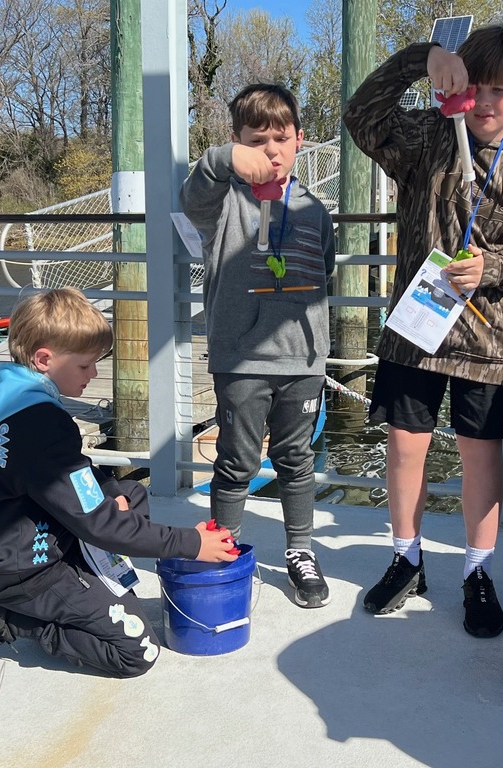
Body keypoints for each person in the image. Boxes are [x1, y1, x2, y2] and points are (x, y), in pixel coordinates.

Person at [342, 25, 503, 637]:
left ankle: (478, 570)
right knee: (405, 448)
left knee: (480, 456)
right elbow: (360, 113)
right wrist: (424, 58)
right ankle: (405, 558)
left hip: (487, 339)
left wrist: (492, 267)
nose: (486, 102)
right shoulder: (423, 137)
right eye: (475, 87)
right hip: (416, 328)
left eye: (501, 90)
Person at [0, 288, 238, 677]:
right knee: (138, 652)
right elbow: (99, 524)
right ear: (44, 359)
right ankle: (6, 618)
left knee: (128, 492)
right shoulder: (43, 425)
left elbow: (66, 473)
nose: (94, 374)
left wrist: (108, 493)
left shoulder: (8, 399)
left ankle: (92, 583)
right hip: (26, 572)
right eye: (84, 366)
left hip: (15, 541)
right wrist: (192, 544)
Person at [179, 84, 336, 608]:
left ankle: (300, 550)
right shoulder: (222, 205)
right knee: (236, 461)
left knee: (297, 458)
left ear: (300, 141)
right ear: (238, 142)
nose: (272, 149)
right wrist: (225, 160)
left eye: (282, 138)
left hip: (304, 360)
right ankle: (220, 547)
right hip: (240, 360)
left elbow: (325, 269)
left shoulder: (315, 208)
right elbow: (191, 194)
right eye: (256, 140)